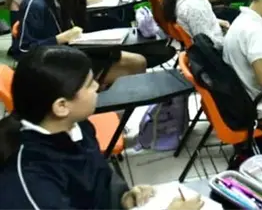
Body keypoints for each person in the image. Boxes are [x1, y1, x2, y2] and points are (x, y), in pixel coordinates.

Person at [0, 46, 204, 210]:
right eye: (89, 84)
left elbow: (99, 184)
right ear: (61, 106)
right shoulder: (30, 179)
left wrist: (124, 199)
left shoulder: (78, 126)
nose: (97, 87)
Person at [11, 0, 146, 85]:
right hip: (53, 68)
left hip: (71, 55)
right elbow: (22, 51)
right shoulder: (35, 4)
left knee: (136, 59)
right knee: (136, 63)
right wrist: (59, 39)